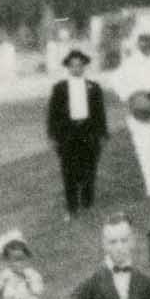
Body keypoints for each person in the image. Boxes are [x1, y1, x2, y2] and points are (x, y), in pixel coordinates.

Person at [48, 47, 111, 212]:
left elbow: (100, 112)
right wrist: (53, 136)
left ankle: (87, 201)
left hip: (88, 131)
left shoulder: (93, 87)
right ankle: (72, 204)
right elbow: (52, 113)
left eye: (79, 65)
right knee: (69, 169)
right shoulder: (60, 88)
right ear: (68, 67)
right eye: (73, 65)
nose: (76, 68)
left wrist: (102, 133)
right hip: (68, 132)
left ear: (84, 67)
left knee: (89, 167)